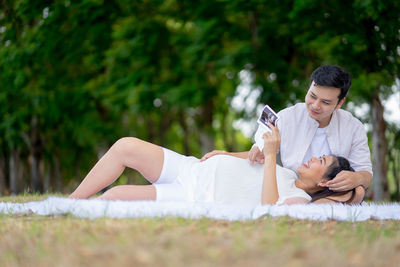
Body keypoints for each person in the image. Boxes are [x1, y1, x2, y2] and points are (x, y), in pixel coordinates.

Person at [202, 65, 372, 203]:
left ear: (340, 103)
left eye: (326, 102)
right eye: (312, 96)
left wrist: (357, 178)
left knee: (357, 191)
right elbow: (264, 154)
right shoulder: (287, 117)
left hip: (325, 193)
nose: (315, 105)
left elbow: (365, 173)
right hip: (289, 187)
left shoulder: (353, 127)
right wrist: (227, 155)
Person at [69, 123, 356, 205]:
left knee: (115, 198)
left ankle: (76, 208)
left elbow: (269, 208)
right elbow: (250, 161)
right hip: (191, 168)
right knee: (125, 146)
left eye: (320, 160)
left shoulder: (299, 201)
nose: (311, 159)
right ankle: (67, 203)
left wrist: (271, 156)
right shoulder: (288, 171)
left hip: (193, 195)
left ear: (323, 181)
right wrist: (226, 154)